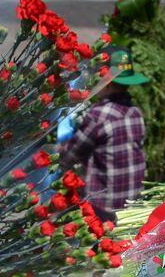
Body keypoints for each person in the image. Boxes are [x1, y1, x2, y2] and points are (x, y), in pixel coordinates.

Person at [59, 47, 150, 224]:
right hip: (131, 196)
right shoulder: (135, 112)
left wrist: (54, 149)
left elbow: (70, 154)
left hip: (104, 203)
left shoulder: (99, 115)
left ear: (106, 83)